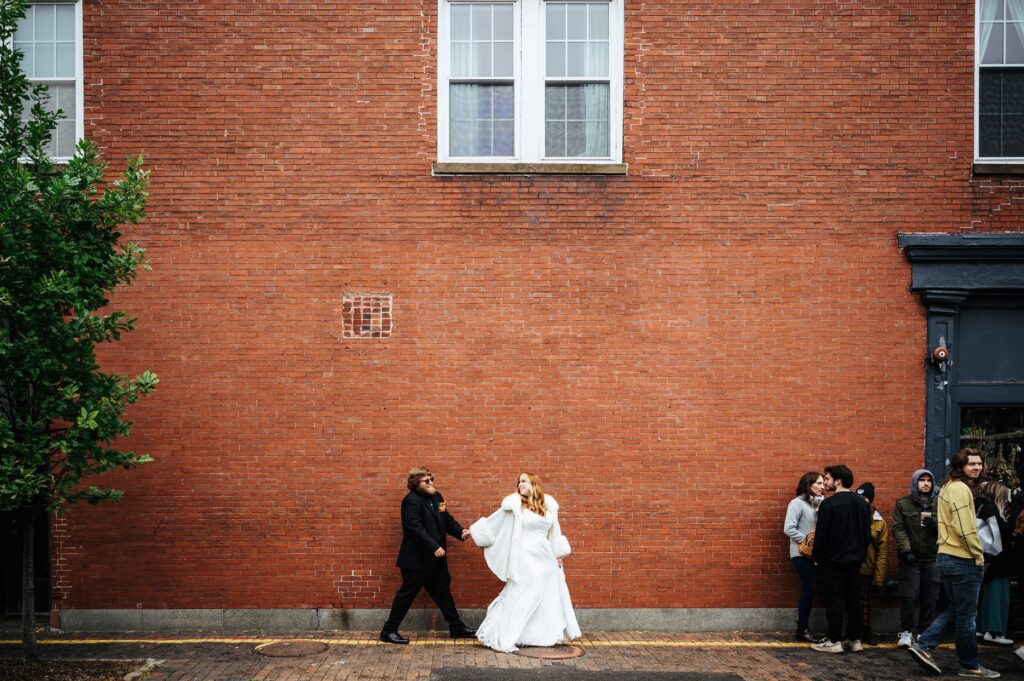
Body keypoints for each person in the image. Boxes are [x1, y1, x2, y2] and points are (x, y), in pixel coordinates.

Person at [908, 448, 1000, 679]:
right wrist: (978, 554)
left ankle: (924, 644)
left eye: (979, 464)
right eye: (971, 464)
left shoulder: (949, 487)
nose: (977, 467)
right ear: (960, 467)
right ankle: (970, 665)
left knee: (955, 610)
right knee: (967, 617)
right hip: (962, 558)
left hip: (948, 557)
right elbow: (964, 528)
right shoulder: (960, 489)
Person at [470, 472, 580, 652]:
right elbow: (494, 521)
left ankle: (534, 635)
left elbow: (554, 533)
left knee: (545, 593)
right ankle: (506, 634)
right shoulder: (515, 504)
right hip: (524, 554)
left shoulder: (548, 506)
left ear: (534, 484)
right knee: (526, 591)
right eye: (519, 482)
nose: (520, 484)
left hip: (545, 555)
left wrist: (557, 554)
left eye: (524, 481)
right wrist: (473, 531)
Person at [379, 467, 477, 644]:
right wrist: (434, 546)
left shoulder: (437, 497)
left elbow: (446, 519)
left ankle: (456, 627)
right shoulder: (411, 501)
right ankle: (388, 630)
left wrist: (460, 531)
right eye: (427, 481)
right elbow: (414, 528)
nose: (431, 483)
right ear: (416, 484)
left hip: (436, 561)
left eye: (432, 479)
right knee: (406, 596)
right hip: (416, 561)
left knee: (443, 594)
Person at [810, 464, 871, 654]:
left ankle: (835, 639)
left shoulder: (828, 504)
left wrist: (817, 557)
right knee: (853, 600)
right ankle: (855, 639)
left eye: (827, 479)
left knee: (833, 599)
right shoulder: (862, 503)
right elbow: (866, 534)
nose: (825, 482)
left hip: (832, 561)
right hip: (855, 561)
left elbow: (822, 536)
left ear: (838, 481)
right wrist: (860, 555)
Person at [892, 468, 940, 649]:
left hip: (933, 557)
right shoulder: (903, 504)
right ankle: (906, 632)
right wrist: (906, 551)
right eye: (922, 480)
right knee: (909, 595)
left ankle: (924, 632)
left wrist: (937, 525)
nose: (926, 483)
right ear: (915, 483)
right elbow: (898, 528)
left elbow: (950, 527)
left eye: (929, 480)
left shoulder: (939, 504)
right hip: (910, 558)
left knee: (930, 596)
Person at [783, 471, 825, 642]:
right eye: (819, 483)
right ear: (809, 485)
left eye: (823, 483)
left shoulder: (822, 503)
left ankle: (804, 627)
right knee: (810, 588)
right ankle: (802, 629)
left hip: (818, 554)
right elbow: (789, 528)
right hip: (800, 553)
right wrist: (807, 542)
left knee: (815, 588)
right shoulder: (797, 504)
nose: (823, 487)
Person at [975, 480, 1013, 646]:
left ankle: (982, 629)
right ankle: (994, 631)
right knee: (998, 597)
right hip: (998, 560)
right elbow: (998, 535)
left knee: (986, 596)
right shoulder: (992, 510)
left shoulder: (981, 507)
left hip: (988, 560)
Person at [854, 482, 887, 646]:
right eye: (858, 497)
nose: (861, 500)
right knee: (849, 599)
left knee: (864, 601)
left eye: (865, 497)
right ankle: (851, 631)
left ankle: (865, 630)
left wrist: (879, 577)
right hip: (849, 565)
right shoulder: (849, 515)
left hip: (867, 567)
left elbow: (882, 552)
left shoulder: (878, 521)